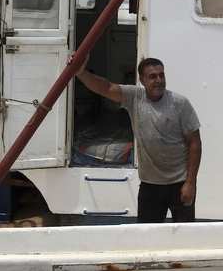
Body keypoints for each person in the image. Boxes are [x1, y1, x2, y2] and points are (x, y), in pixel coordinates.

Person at [76, 57, 202, 223]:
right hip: (150, 185)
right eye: (152, 76)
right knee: (146, 236)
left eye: (161, 75)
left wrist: (190, 183)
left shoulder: (180, 103)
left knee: (184, 237)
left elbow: (195, 143)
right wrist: (81, 73)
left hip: (180, 184)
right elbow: (106, 87)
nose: (159, 80)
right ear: (142, 80)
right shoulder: (134, 97)